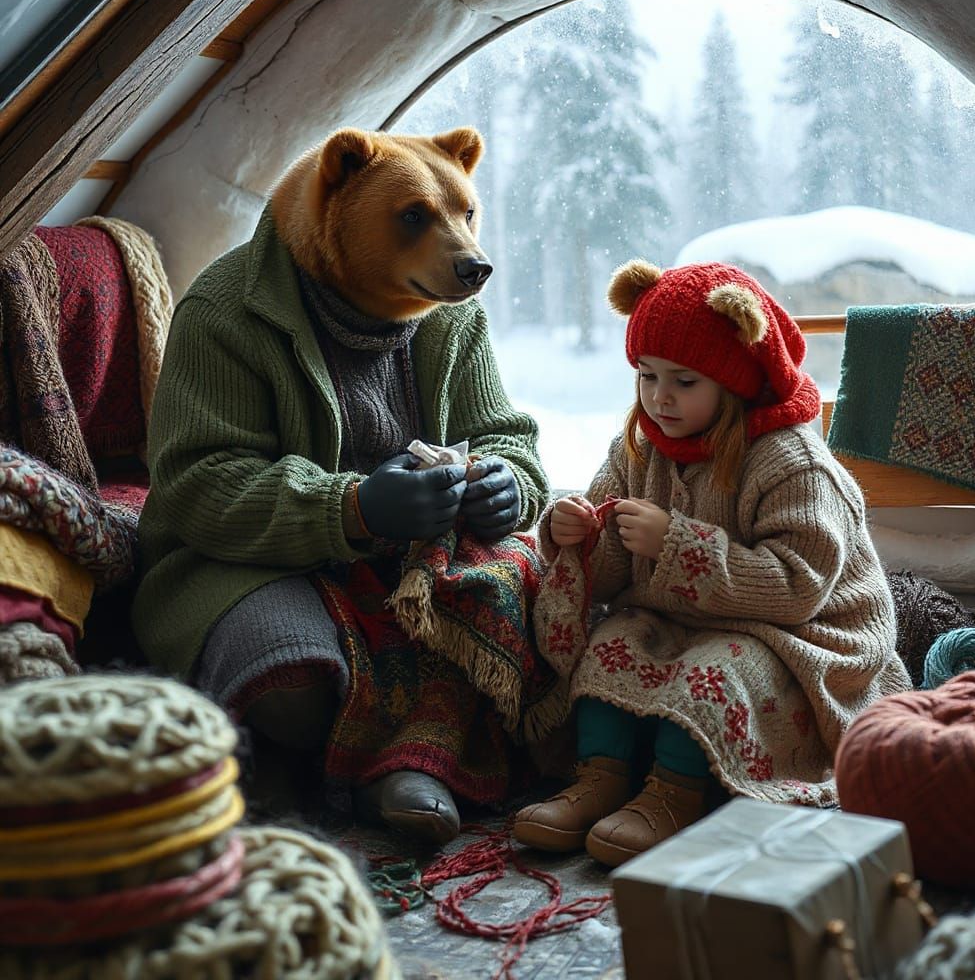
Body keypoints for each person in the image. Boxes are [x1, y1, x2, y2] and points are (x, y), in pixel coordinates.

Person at [132, 127, 549, 845]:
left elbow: (505, 434)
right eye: (414, 218)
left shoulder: (450, 313)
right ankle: (394, 767)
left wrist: (509, 483)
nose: (465, 250)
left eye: (464, 215)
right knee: (291, 676)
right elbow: (198, 485)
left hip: (417, 558)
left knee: (540, 601)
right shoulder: (225, 312)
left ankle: (395, 770)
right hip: (253, 563)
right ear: (340, 186)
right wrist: (351, 508)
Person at [513, 260, 910, 867]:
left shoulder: (792, 463)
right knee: (611, 643)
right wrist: (579, 537)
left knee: (715, 673)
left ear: (735, 381)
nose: (659, 397)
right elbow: (612, 571)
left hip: (801, 635)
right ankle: (601, 776)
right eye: (647, 376)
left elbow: (797, 587)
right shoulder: (638, 448)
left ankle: (676, 792)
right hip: (687, 617)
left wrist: (675, 544)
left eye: (684, 381)